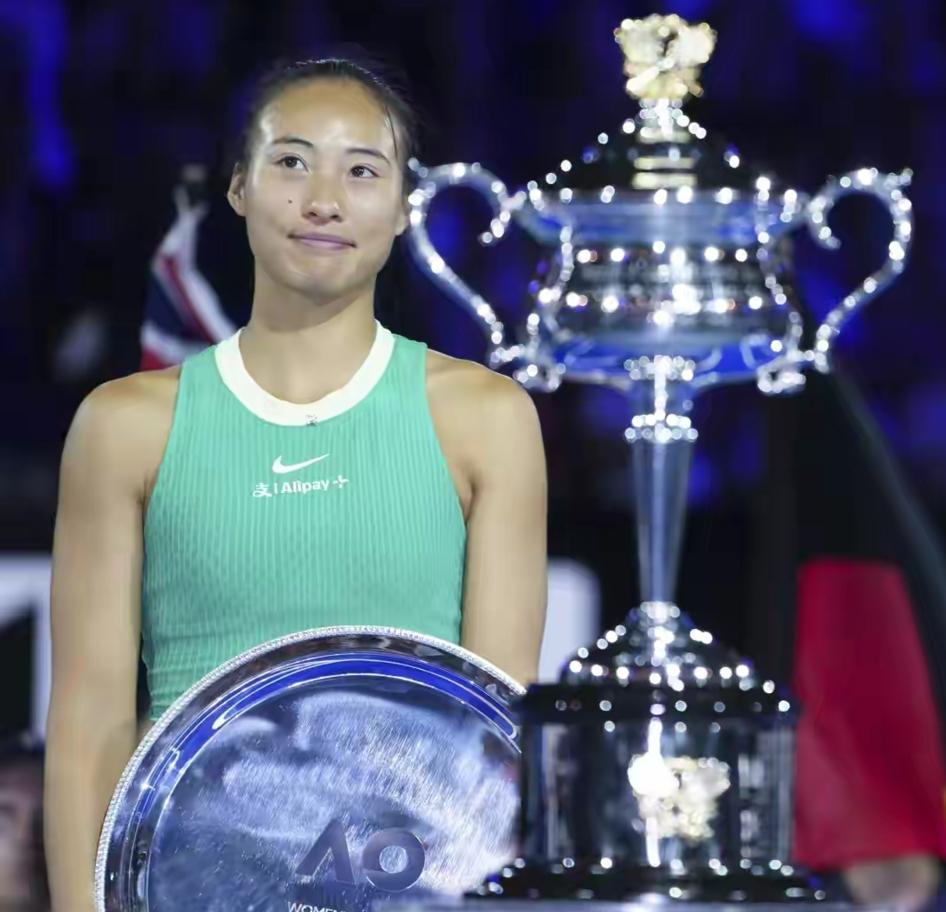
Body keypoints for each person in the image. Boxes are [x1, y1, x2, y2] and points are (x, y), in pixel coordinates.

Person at [43, 57, 548, 912]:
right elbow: (88, 728)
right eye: (291, 162)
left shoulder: (486, 419)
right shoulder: (124, 425)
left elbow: (494, 737)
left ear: (405, 205)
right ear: (239, 186)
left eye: (363, 171)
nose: (324, 200)